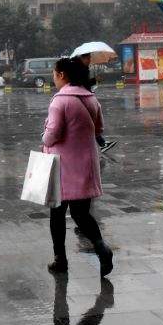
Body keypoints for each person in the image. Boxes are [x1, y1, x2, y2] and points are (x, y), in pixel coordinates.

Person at [42, 57, 114, 277]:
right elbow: (98, 128)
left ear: (62, 75)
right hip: (85, 165)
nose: (54, 78)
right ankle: (101, 247)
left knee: (57, 214)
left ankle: (60, 260)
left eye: (54, 74)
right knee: (82, 214)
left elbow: (51, 136)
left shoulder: (59, 101)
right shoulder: (91, 98)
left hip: (62, 168)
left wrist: (44, 135)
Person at [77, 53, 118, 153]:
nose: (89, 60)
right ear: (82, 58)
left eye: (90, 58)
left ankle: (101, 143)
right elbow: (82, 84)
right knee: (88, 122)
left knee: (91, 122)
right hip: (82, 99)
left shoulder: (84, 68)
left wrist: (95, 80)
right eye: (88, 58)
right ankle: (97, 144)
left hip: (85, 97)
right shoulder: (80, 70)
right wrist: (95, 80)